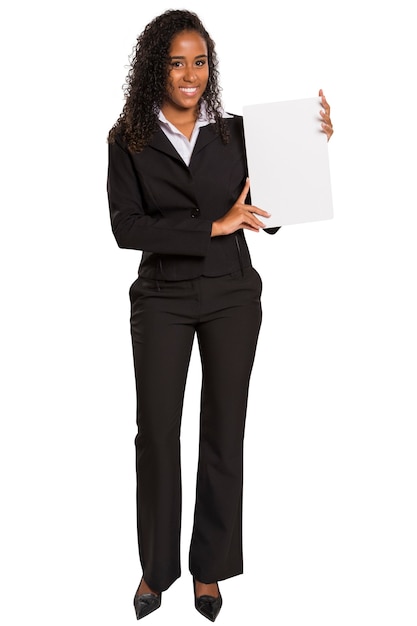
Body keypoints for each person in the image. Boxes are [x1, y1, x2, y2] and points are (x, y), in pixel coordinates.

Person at [107, 9, 333, 622]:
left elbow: (273, 209)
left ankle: (210, 569)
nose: (190, 75)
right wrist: (210, 225)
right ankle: (156, 570)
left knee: (222, 431)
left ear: (211, 67)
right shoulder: (128, 137)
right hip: (162, 296)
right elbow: (126, 227)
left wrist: (309, 149)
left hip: (232, 292)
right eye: (177, 62)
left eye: (200, 62)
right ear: (156, 66)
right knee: (156, 434)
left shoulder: (236, 133)